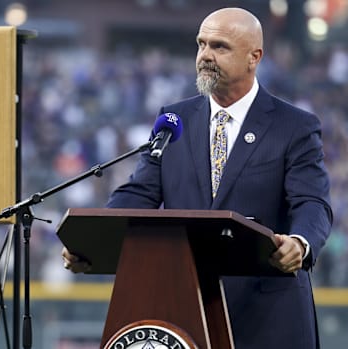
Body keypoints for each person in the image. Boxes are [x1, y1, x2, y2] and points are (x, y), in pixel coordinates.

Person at [62, 7, 332, 349]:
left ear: (254, 57)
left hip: (268, 315)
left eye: (219, 47)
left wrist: (300, 243)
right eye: (201, 45)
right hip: (185, 309)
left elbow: (312, 202)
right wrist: (93, 240)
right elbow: (138, 194)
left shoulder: (293, 126)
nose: (205, 55)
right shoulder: (175, 119)